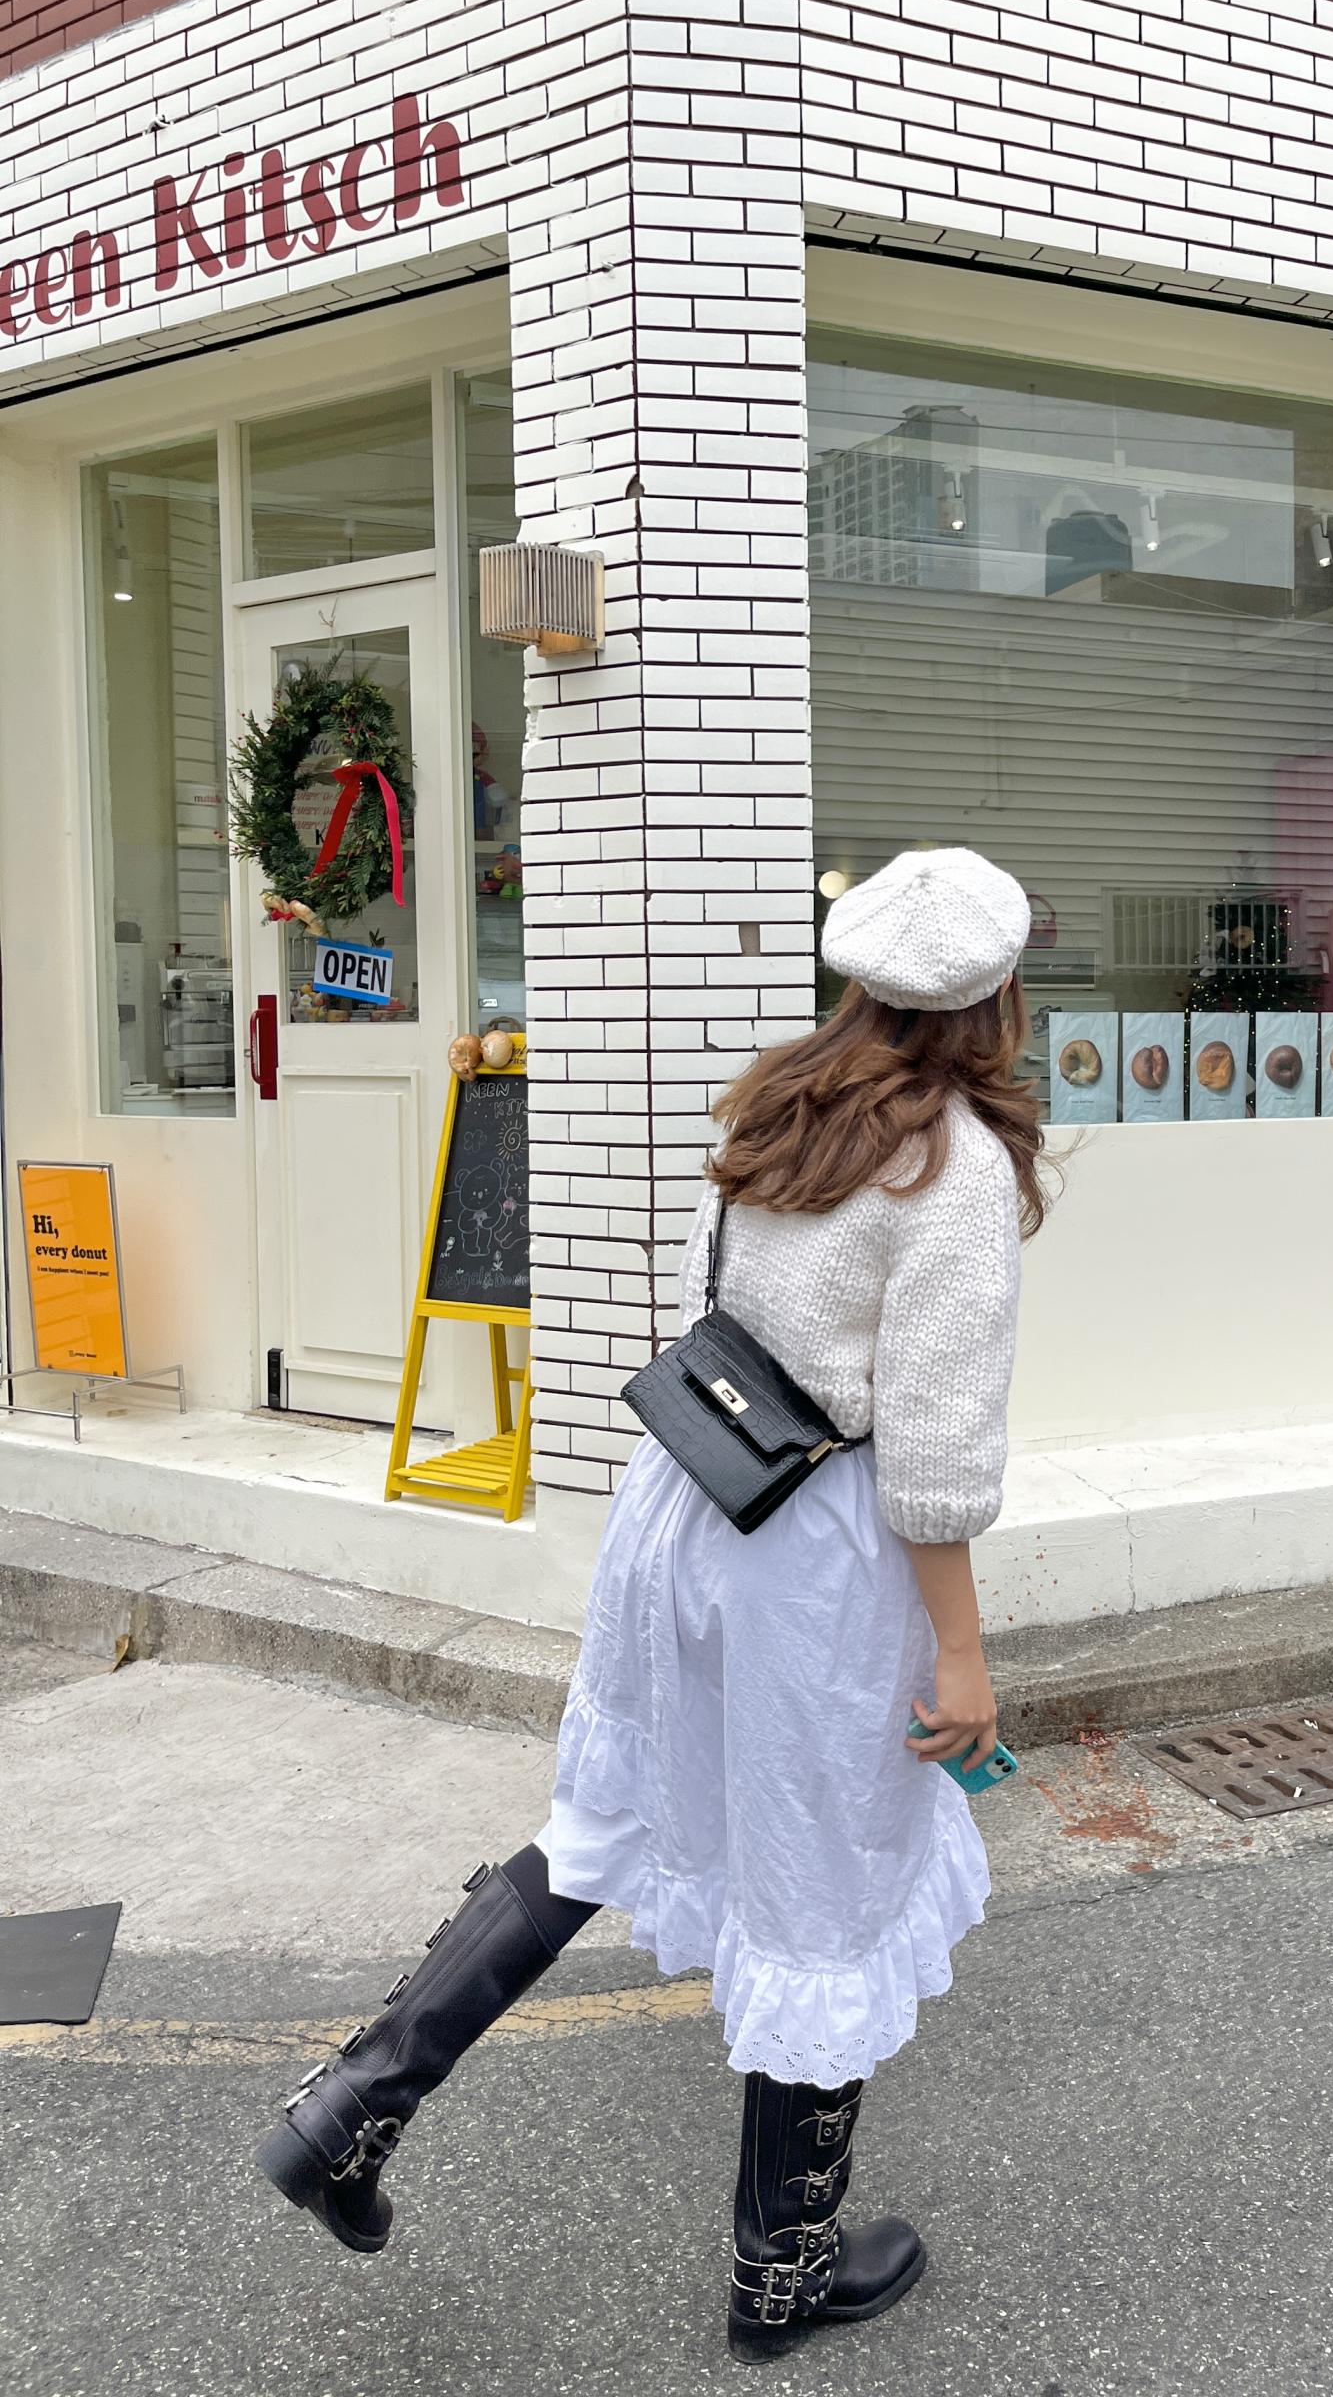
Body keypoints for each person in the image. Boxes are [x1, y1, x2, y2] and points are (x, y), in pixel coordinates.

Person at [256, 845, 1052, 2365]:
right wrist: (961, 1653)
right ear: (997, 993)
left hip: (686, 1506)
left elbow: (714, 1312)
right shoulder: (946, 1165)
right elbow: (935, 1457)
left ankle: (350, 2107)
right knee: (820, 1887)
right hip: (813, 1558)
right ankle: (781, 2273)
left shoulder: (781, 1106)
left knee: (602, 1819)